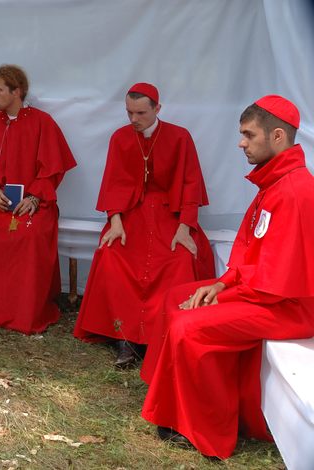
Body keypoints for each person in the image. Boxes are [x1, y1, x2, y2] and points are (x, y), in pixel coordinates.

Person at [140, 95, 314, 459]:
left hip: (290, 308)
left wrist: (223, 295)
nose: (241, 143)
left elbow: (280, 284)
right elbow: (256, 257)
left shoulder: (295, 191)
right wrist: (221, 284)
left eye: (249, 135)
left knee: (190, 324)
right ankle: (171, 403)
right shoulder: (276, 183)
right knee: (176, 297)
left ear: (278, 136)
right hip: (266, 293)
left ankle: (207, 430)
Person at [73, 83, 214, 367]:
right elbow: (113, 181)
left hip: (169, 215)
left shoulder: (180, 137)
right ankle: (124, 338)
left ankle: (162, 334)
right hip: (129, 215)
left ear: (157, 109)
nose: (133, 119)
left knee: (181, 258)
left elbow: (190, 183)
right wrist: (115, 221)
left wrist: (185, 227)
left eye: (140, 113)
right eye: (129, 112)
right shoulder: (120, 137)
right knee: (112, 254)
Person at [0, 64, 76, 334]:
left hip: (35, 202)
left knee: (30, 235)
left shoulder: (43, 123)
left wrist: (34, 198)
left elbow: (52, 172)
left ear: (17, 91)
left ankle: (24, 311)